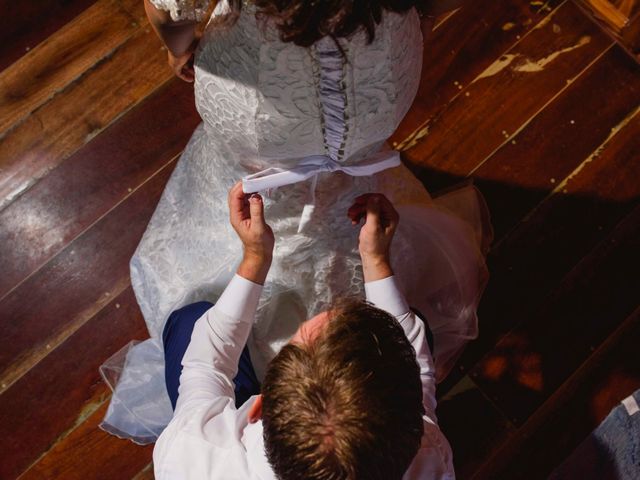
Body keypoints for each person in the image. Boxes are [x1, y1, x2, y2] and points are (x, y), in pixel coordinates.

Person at [99, 0, 491, 442]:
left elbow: (167, 9)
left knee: (196, 327)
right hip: (375, 78)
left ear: (258, 413)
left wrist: (179, 47)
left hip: (269, 107)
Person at [153, 182, 454, 479]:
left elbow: (206, 364)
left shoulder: (192, 454)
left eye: (299, 341)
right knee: (416, 328)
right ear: (413, 430)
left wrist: (255, 257)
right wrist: (375, 259)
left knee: (189, 322)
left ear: (258, 407)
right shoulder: (429, 458)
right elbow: (418, 375)